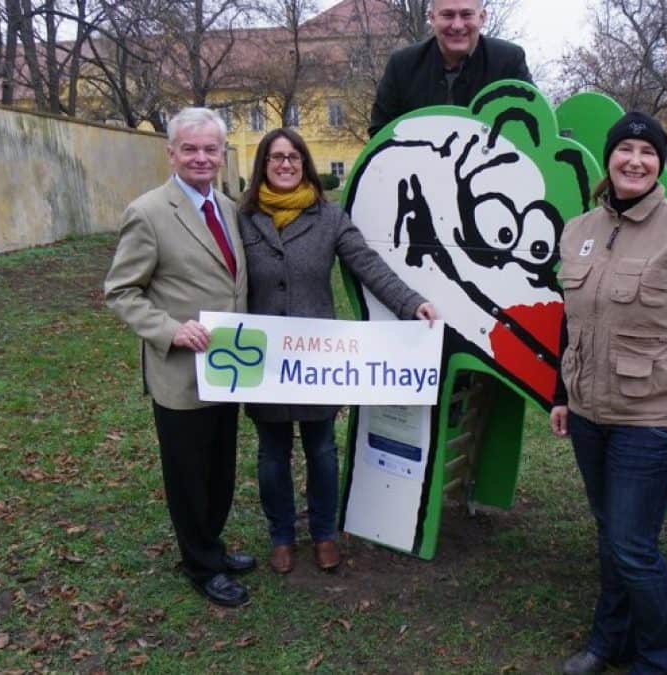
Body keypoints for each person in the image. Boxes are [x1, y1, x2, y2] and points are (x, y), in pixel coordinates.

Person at [550, 112, 667, 675]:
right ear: (609, 159)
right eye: (624, 149)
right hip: (586, 413)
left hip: (650, 417)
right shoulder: (578, 230)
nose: (634, 160)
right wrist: (561, 393)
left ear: (659, 163)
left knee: (633, 546)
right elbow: (571, 319)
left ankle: (660, 661)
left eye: (646, 152)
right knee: (610, 537)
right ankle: (610, 643)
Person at [238, 128, 437, 575]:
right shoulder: (243, 218)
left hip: (317, 361)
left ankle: (325, 532)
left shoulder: (328, 217)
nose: (285, 164)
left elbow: (367, 264)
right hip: (263, 359)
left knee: (322, 450)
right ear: (263, 165)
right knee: (272, 454)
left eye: (293, 157)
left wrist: (411, 302)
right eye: (275, 158)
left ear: (305, 164)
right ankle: (282, 536)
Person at [104, 107, 255, 608]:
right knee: (188, 475)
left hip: (229, 370)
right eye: (189, 148)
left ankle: (211, 544)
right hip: (180, 373)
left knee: (220, 469)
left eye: (210, 148)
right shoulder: (148, 213)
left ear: (221, 154)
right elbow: (122, 291)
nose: (201, 157)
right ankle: (200, 564)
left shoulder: (230, 209)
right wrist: (170, 330)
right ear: (171, 153)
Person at [368, 0, 532, 137]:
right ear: (432, 19)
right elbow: (380, 133)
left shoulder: (509, 61)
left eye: (466, 15)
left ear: (482, 18)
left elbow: (533, 123)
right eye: (448, 15)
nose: (457, 25)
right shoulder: (402, 66)